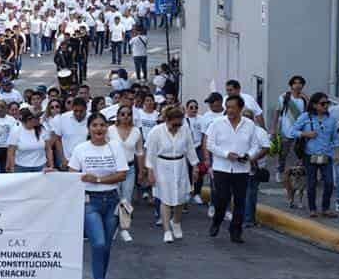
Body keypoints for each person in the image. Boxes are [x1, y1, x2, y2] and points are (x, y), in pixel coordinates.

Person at [68, 113, 128, 279]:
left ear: (106, 128)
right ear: (89, 128)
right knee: (99, 244)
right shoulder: (80, 149)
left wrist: (99, 180)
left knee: (107, 247)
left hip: (111, 200)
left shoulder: (115, 147)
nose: (99, 129)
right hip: (89, 202)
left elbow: (122, 175)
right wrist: (53, 175)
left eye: (102, 125)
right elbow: (72, 176)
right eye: (95, 125)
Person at [205, 95, 261, 243]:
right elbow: (210, 144)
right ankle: (216, 222)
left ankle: (236, 230)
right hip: (221, 168)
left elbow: (255, 145)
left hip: (242, 169)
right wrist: (226, 154)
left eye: (232, 107)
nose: (229, 110)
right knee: (222, 199)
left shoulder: (249, 125)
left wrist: (248, 155)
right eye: (227, 107)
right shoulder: (217, 124)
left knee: (240, 201)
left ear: (240, 108)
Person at [144, 107, 200, 243]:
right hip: (162, 166)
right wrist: (150, 171)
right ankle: (167, 230)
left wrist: (195, 167)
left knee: (180, 198)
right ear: (167, 120)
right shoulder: (156, 132)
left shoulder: (185, 130)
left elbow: (190, 149)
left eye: (179, 124)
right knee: (165, 198)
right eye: (174, 124)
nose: (177, 127)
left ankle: (176, 222)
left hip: (180, 165)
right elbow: (150, 153)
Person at [288, 92, 339, 218]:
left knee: (329, 182)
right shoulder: (306, 117)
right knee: (311, 183)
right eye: (323, 103)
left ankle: (325, 208)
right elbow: (292, 131)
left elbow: (335, 138)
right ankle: (312, 209)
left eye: (327, 103)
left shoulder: (331, 120)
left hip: (326, 155)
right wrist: (305, 134)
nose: (326, 105)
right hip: (309, 155)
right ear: (315, 105)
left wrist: (337, 152)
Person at [108, 105, 144, 242]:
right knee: (113, 200)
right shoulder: (110, 130)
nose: (125, 117)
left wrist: (141, 171)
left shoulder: (136, 131)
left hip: (130, 169)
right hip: (113, 169)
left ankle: (124, 229)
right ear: (117, 116)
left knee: (126, 200)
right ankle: (112, 228)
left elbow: (140, 152)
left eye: (128, 114)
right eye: (122, 114)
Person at [5, 109, 51, 173]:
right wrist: (12, 167)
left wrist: (51, 165)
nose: (39, 119)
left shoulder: (42, 129)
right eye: (36, 118)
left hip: (41, 166)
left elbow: (48, 149)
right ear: (28, 119)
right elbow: (11, 151)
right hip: (21, 167)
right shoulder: (16, 131)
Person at [54, 97, 90, 170]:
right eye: (75, 111)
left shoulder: (92, 118)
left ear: (86, 109)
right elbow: (57, 139)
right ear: (72, 108)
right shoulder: (63, 118)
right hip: (68, 161)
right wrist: (62, 159)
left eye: (81, 111)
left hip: (87, 161)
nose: (78, 114)